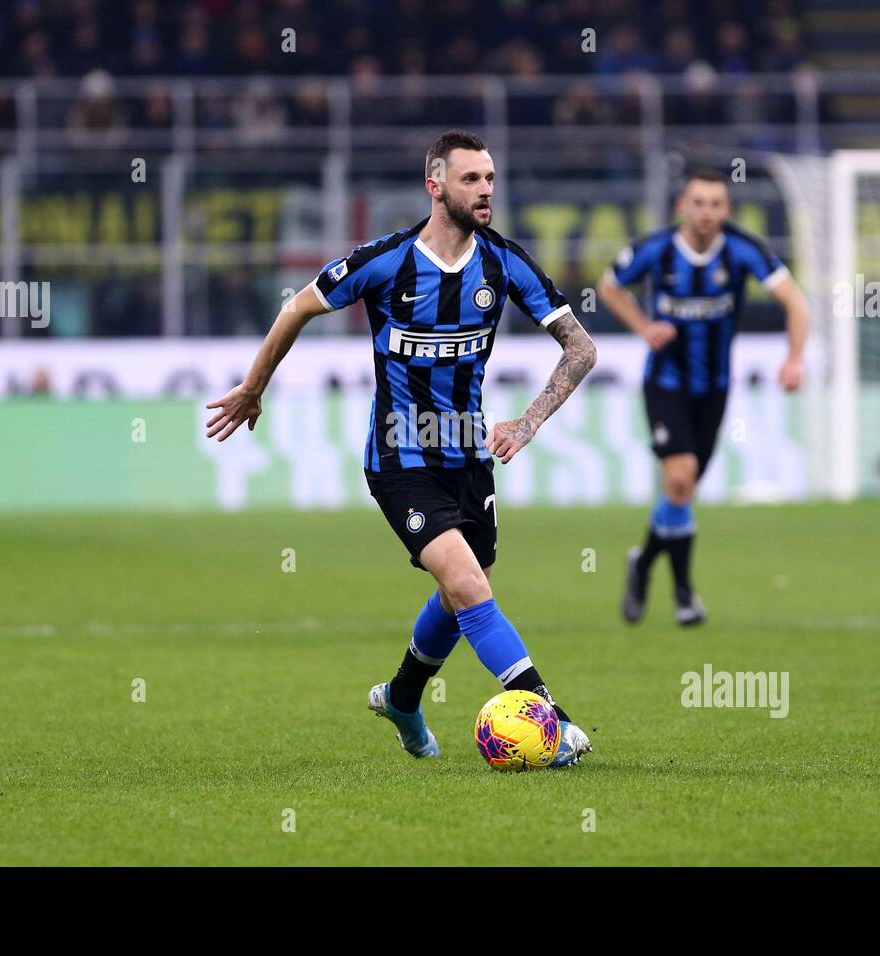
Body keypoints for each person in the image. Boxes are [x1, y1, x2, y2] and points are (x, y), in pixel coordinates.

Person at [206, 130, 597, 766]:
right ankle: (553, 721)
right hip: (399, 461)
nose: (487, 190)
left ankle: (403, 698)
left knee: (458, 594)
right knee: (471, 587)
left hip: (469, 460)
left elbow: (582, 348)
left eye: (491, 178)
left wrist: (527, 424)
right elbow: (296, 309)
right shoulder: (386, 260)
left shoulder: (504, 263)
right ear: (435, 186)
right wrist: (253, 389)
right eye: (472, 179)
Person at [599, 168, 808, 626]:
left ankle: (643, 561)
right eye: (698, 202)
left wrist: (794, 358)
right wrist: (643, 328)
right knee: (681, 476)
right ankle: (684, 595)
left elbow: (796, 303)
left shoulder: (743, 250)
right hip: (665, 385)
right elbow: (609, 287)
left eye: (716, 204)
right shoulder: (655, 250)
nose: (707, 212)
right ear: (682, 206)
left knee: (682, 491)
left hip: (714, 389)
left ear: (727, 209)